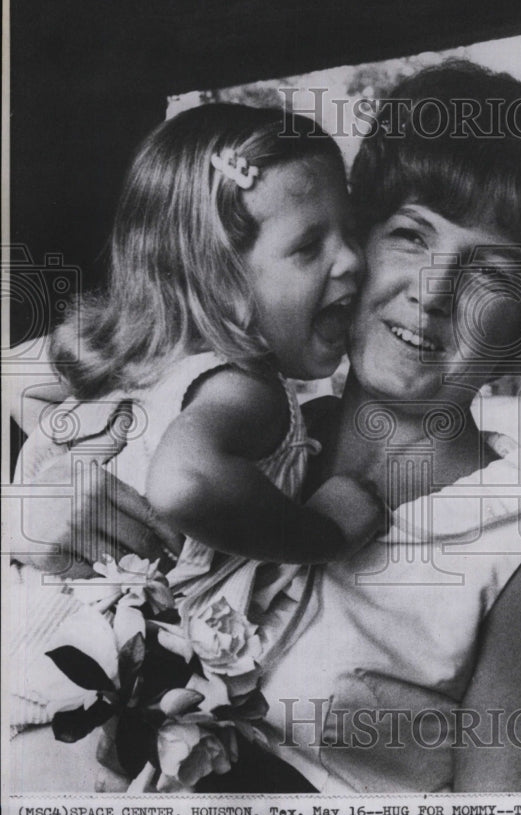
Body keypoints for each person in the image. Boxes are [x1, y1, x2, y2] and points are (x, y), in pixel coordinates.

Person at [9, 60, 521, 792]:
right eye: (410, 235)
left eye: (490, 272)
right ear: (354, 242)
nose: (432, 292)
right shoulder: (238, 434)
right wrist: (31, 514)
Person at [9, 102, 384, 733]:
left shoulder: (138, 367)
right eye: (307, 246)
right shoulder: (245, 388)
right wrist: (326, 531)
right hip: (82, 698)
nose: (350, 260)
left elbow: (17, 382)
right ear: (219, 277)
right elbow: (184, 485)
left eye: (351, 232)